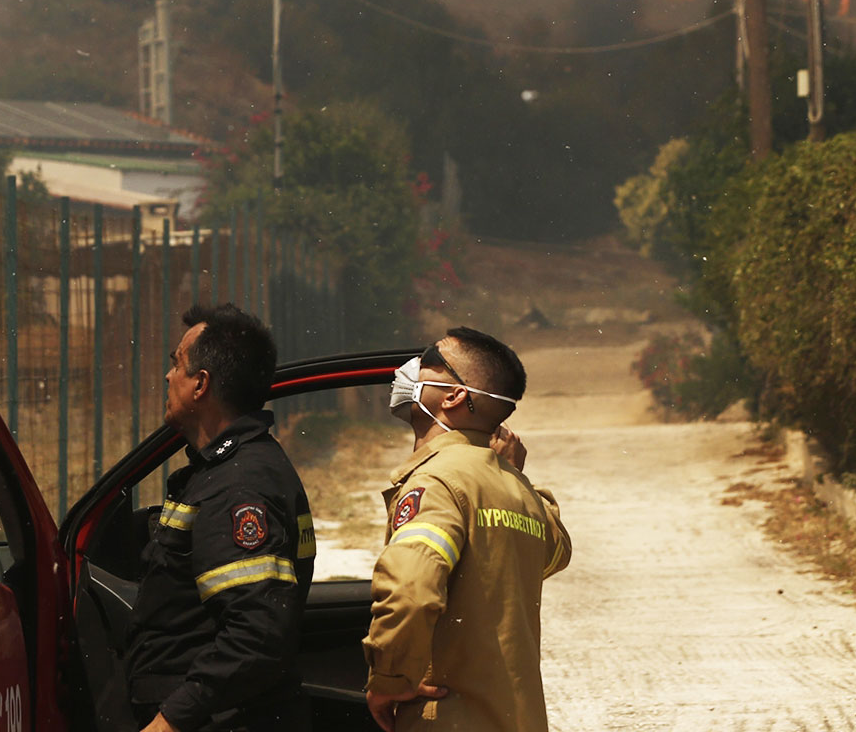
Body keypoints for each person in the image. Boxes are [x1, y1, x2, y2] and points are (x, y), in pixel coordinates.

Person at [363, 327, 572, 732]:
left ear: (455, 395)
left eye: (426, 359)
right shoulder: (518, 489)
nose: (409, 369)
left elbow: (411, 590)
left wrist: (389, 681)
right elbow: (554, 553)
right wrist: (512, 474)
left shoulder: (438, 482)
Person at [126, 303, 316, 732]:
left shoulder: (238, 486)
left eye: (177, 364)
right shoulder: (222, 472)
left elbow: (257, 635)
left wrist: (171, 721)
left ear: (201, 385)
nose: (168, 376)